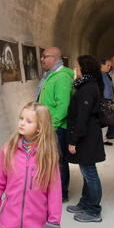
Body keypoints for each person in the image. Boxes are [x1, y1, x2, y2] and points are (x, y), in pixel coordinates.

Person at [66, 55, 106, 222]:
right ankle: (85, 202)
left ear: (84, 68)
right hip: (87, 135)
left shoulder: (88, 88)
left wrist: (74, 140)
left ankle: (94, 210)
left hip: (87, 137)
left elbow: (83, 117)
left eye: (79, 66)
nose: (78, 70)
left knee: (90, 173)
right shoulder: (88, 84)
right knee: (86, 172)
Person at [37, 47, 75, 201]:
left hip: (56, 128)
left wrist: (52, 126)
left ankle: (61, 194)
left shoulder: (62, 77)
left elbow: (63, 106)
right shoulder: (51, 75)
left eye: (44, 56)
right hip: (48, 125)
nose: (41, 59)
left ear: (54, 58)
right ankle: (52, 191)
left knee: (58, 161)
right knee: (50, 161)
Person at [100, 59, 114, 145]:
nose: (109, 67)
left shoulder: (107, 75)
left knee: (107, 120)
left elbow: (110, 89)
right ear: (101, 65)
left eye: (110, 66)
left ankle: (104, 138)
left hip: (108, 100)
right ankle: (101, 139)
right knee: (103, 120)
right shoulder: (98, 75)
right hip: (102, 100)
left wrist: (112, 101)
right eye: (108, 65)